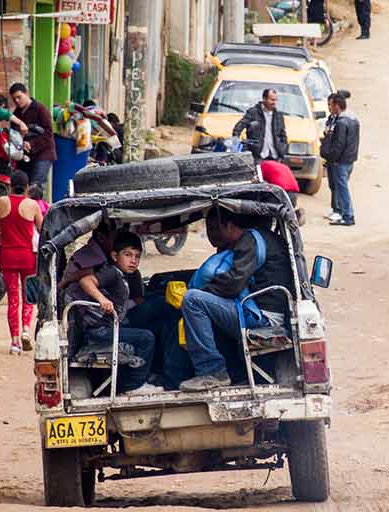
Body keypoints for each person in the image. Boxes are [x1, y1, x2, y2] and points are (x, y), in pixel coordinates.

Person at [177, 209, 294, 392]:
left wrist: (204, 291)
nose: (211, 235)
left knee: (193, 300)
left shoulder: (249, 240)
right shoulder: (264, 239)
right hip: (262, 312)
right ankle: (236, 373)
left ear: (230, 225)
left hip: (264, 319)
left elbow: (233, 284)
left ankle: (212, 372)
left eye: (215, 228)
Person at [64, 232, 160, 395]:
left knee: (149, 327)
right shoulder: (113, 273)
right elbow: (86, 280)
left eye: (137, 256)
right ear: (115, 256)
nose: (133, 260)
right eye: (127, 255)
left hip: (108, 327)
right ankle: (134, 385)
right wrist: (102, 299)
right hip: (100, 332)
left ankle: (139, 377)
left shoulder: (123, 276)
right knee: (147, 338)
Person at [0, 171, 43, 355]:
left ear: (9, 185)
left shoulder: (1, 202)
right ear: (27, 187)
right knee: (28, 297)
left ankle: (14, 342)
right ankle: (25, 330)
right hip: (27, 257)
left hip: (7, 255)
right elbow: (42, 228)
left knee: (13, 299)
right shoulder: (32, 205)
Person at [320, 94, 360, 226]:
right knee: (341, 188)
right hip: (349, 161)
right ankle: (344, 214)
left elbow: (338, 145)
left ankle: (348, 216)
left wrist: (331, 158)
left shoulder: (341, 123)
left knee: (342, 189)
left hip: (340, 162)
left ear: (337, 106)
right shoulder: (354, 119)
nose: (329, 108)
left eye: (331, 105)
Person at [10, 83, 56, 187]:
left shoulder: (40, 109)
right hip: (24, 155)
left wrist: (31, 144)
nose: (17, 101)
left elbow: (48, 133)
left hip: (43, 154)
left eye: (19, 97)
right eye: (14, 99)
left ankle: (36, 203)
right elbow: (13, 132)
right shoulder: (16, 113)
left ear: (26, 94)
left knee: (36, 186)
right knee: (21, 184)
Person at [232, 89, 288, 164]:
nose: (274, 103)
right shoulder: (253, 112)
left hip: (276, 157)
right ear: (264, 99)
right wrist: (238, 145)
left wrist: (282, 151)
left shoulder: (279, 115)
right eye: (272, 100)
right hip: (258, 156)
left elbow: (283, 136)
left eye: (275, 100)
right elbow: (238, 127)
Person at [260, 160, 305, 225]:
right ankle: (295, 214)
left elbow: (260, 184)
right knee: (286, 212)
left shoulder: (262, 165)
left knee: (268, 209)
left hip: (281, 193)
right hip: (294, 194)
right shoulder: (283, 166)